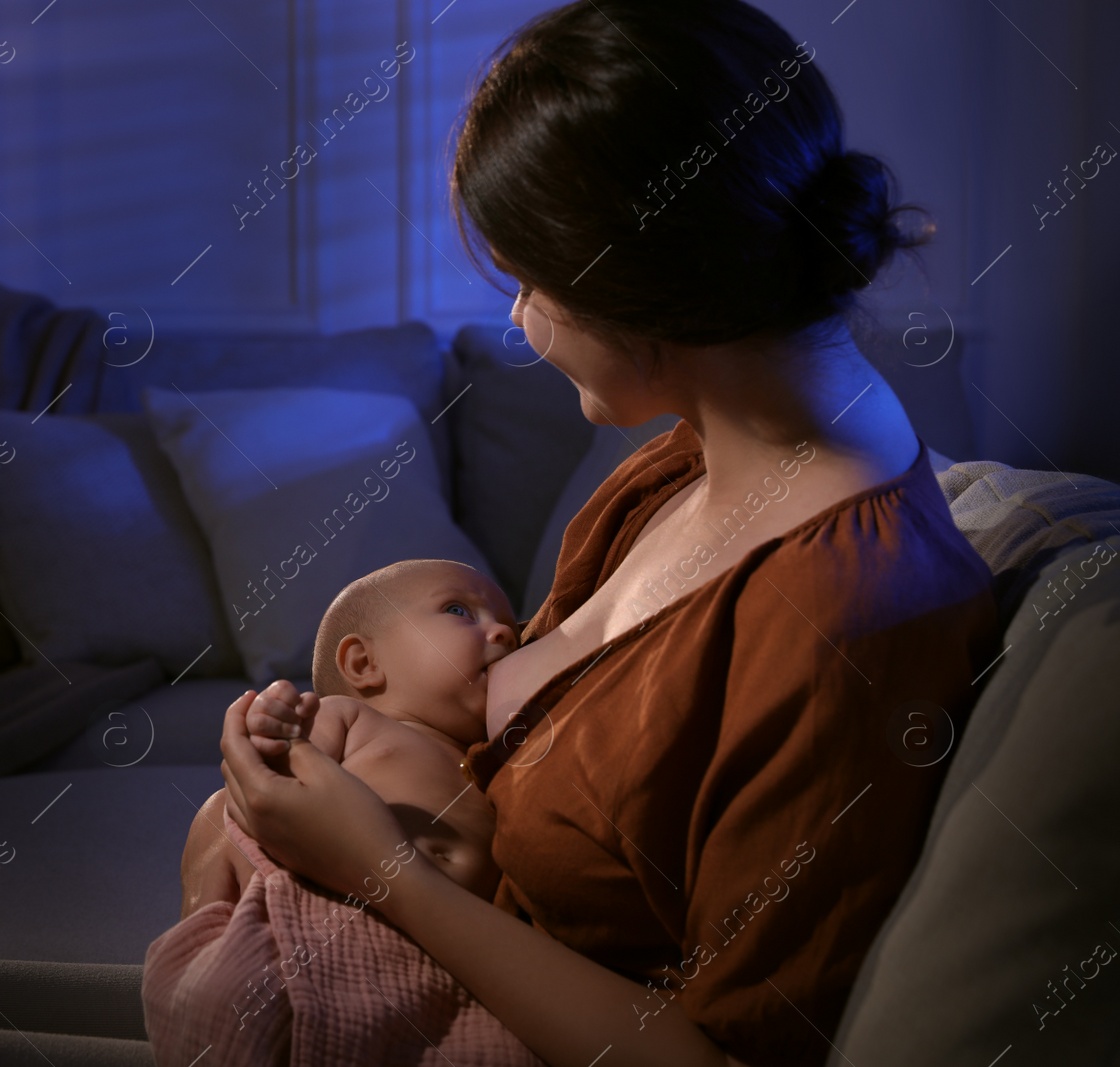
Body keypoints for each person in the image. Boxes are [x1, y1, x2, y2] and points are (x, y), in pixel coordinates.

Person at [213, 2, 1001, 1066]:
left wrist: (379, 872)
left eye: (532, 282)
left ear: (633, 291)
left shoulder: (840, 618)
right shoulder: (685, 461)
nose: (518, 322)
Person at [177, 557, 519, 918]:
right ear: (363, 664)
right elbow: (272, 785)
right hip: (328, 919)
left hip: (449, 947)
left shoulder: (500, 756)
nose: (503, 633)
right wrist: (273, 730)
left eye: (510, 627)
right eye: (458, 610)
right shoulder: (349, 718)